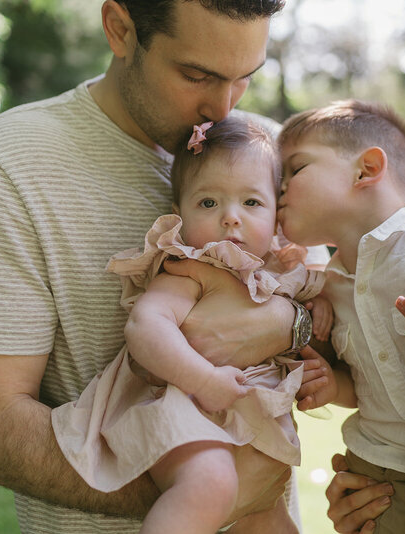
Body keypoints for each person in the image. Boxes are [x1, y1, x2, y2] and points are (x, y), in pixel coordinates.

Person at [0, 1, 316, 533]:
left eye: (245, 78)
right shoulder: (5, 168)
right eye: (197, 74)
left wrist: (290, 322)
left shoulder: (266, 152)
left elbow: (347, 324)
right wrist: (216, 489)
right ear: (120, 30)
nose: (223, 108)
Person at [52, 117, 332, 534]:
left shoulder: (284, 273)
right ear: (178, 214)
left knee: (271, 513)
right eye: (208, 203)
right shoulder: (189, 269)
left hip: (246, 421)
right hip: (184, 404)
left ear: (277, 216)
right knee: (210, 483)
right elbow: (146, 328)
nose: (230, 218)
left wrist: (319, 310)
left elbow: (334, 318)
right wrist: (203, 379)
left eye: (251, 203)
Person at [277, 99, 405, 534]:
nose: (279, 189)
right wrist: (334, 385)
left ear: (366, 169)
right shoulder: (325, 288)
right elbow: (366, 385)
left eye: (295, 169)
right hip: (387, 470)